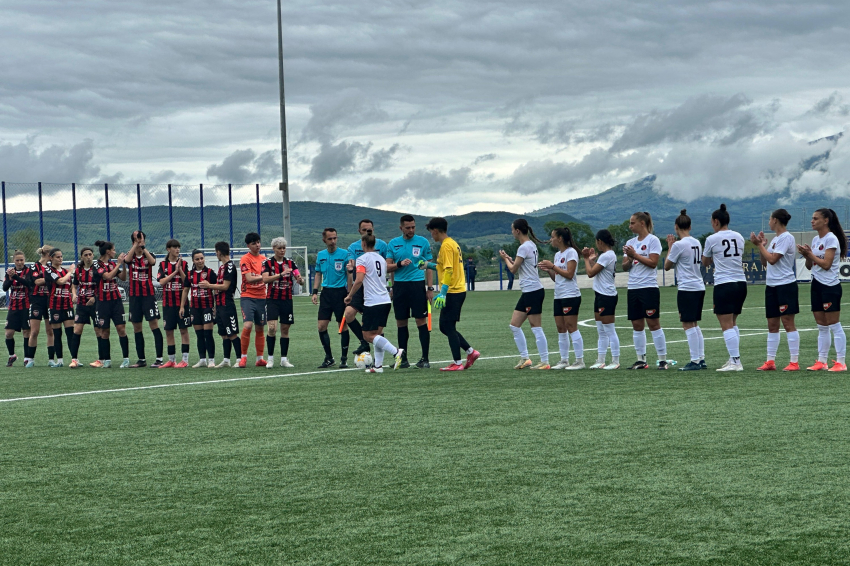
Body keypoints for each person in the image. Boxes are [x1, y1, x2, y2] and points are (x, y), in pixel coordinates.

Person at [421, 217, 480, 371]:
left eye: (431, 232)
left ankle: (458, 363)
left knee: (448, 326)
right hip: (457, 290)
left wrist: (443, 293)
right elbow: (443, 266)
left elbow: (449, 270)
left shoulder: (446, 246)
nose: (431, 236)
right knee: (445, 326)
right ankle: (470, 352)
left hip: (453, 291)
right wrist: (428, 265)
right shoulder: (452, 243)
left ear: (435, 230)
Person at [344, 233, 404, 373]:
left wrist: (350, 296)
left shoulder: (362, 259)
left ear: (363, 244)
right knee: (377, 333)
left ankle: (396, 352)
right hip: (385, 300)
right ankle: (378, 366)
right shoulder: (381, 259)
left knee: (367, 335)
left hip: (373, 302)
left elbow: (359, 280)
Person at [797, 208, 847, 371]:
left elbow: (826, 264)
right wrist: (807, 256)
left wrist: (810, 254)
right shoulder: (815, 239)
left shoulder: (831, 238)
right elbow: (810, 266)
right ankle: (822, 361)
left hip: (830, 286)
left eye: (816, 218)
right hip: (817, 284)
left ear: (826, 221)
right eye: (812, 218)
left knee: (834, 324)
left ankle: (841, 362)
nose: (812, 221)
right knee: (822, 326)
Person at [751, 209, 800, 371]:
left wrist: (759, 245)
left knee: (788, 323)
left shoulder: (787, 237)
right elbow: (765, 263)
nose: (769, 222)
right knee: (772, 325)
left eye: (771, 219)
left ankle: (794, 362)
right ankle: (770, 361)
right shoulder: (775, 240)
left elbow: (773, 260)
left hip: (785, 285)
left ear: (776, 220)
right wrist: (762, 247)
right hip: (771, 285)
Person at [703, 204, 748, 372]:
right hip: (740, 283)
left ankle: (736, 361)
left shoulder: (712, 239)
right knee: (733, 322)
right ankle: (733, 358)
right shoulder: (739, 236)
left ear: (716, 221)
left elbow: (705, 262)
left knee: (726, 324)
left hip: (724, 283)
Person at [500, 219, 549, 370]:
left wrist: (505, 260)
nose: (512, 232)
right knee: (514, 325)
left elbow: (513, 270)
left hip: (532, 291)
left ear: (518, 231)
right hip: (529, 291)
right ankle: (525, 358)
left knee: (536, 327)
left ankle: (545, 361)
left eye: (512, 229)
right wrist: (509, 259)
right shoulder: (530, 245)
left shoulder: (523, 247)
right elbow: (520, 265)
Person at [623, 211, 668, 370]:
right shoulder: (630, 242)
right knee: (636, 324)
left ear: (642, 223)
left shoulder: (653, 240)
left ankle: (662, 360)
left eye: (632, 223)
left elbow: (653, 263)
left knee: (653, 323)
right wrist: (629, 258)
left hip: (648, 287)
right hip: (633, 287)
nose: (630, 226)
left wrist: (635, 255)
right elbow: (624, 266)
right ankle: (641, 360)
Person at [387, 214, 434, 368]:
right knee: (401, 322)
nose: (411, 230)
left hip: (417, 285)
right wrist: (399, 264)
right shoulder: (393, 244)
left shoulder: (423, 242)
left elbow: (429, 267)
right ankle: (403, 359)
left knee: (421, 321)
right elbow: (388, 267)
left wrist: (430, 288)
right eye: (408, 227)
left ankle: (425, 359)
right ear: (401, 228)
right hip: (400, 286)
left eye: (413, 227)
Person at [664, 209, 707, 371]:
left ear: (676, 227)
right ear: (690, 226)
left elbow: (667, 266)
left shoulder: (679, 245)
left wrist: (670, 247)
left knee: (687, 324)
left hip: (687, 288)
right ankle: (700, 358)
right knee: (694, 324)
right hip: (698, 285)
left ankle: (695, 360)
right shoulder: (696, 242)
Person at [539, 226, 584, 370]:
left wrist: (553, 266)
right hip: (558, 295)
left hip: (570, 294)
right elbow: (557, 277)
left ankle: (579, 360)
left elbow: (569, 274)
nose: (550, 240)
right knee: (560, 328)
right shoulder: (558, 254)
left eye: (552, 237)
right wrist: (549, 270)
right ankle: (564, 360)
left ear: (560, 238)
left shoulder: (571, 253)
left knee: (571, 327)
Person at [344, 220, 389, 356]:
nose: (367, 232)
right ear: (359, 231)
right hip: (363, 286)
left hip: (374, 288)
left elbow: (388, 265)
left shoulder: (382, 245)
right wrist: (351, 268)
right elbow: (352, 265)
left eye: (369, 230)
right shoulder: (353, 246)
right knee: (349, 313)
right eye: (364, 230)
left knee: (376, 331)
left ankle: (390, 354)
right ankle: (364, 343)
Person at [123, 230, 164, 368]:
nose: (139, 241)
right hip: (134, 297)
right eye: (136, 239)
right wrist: (135, 245)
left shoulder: (148, 254)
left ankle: (159, 359)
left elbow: (152, 261)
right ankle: (141, 359)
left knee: (154, 325)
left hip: (148, 296)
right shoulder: (130, 256)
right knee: (137, 327)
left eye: (141, 239)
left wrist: (143, 247)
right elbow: (127, 260)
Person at [312, 228, 352, 369]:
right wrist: (315, 292)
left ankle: (344, 358)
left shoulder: (345, 254)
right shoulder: (321, 255)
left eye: (335, 238)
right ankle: (329, 357)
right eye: (330, 239)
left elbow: (349, 275)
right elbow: (318, 274)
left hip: (341, 293)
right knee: (321, 326)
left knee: (342, 325)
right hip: (326, 293)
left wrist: (349, 293)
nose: (333, 241)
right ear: (324, 240)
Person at [262, 237, 304, 368]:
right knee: (272, 328)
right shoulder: (267, 263)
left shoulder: (290, 263)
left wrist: (300, 280)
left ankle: (284, 359)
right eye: (279, 248)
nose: (282, 250)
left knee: (285, 329)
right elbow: (265, 279)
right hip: (272, 299)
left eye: (283, 248)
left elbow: (298, 276)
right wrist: (281, 274)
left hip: (287, 299)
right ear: (274, 249)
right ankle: (270, 359)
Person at [582, 230, 620, 369]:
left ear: (600, 241)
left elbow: (590, 273)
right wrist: (591, 260)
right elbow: (597, 270)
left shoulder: (607, 255)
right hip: (600, 294)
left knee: (609, 330)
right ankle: (601, 360)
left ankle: (615, 360)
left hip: (607, 296)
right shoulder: (606, 256)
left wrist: (586, 259)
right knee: (601, 330)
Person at [200, 241, 241, 368]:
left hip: (227, 304)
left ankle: (240, 359)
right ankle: (226, 359)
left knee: (232, 333)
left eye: (216, 252)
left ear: (219, 252)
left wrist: (208, 285)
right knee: (224, 334)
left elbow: (225, 286)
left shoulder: (230, 267)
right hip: (220, 305)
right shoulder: (222, 267)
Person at [91, 240, 130, 368]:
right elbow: (107, 276)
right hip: (103, 302)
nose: (115, 252)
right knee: (105, 331)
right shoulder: (97, 265)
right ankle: (107, 360)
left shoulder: (113, 264)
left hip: (116, 301)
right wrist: (118, 264)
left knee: (121, 329)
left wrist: (123, 265)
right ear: (108, 251)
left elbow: (123, 278)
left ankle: (126, 359)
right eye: (113, 250)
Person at [157, 240, 191, 368]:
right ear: (168, 249)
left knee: (183, 330)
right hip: (168, 304)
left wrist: (180, 270)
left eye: (178, 247)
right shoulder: (163, 264)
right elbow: (162, 282)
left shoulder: (185, 263)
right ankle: (171, 360)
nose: (177, 249)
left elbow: (187, 281)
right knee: (169, 331)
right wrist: (174, 272)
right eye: (174, 247)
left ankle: (185, 359)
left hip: (182, 303)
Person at [181, 249, 217, 368]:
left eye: (201, 258)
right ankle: (202, 359)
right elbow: (186, 290)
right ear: (193, 260)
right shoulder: (190, 274)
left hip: (207, 307)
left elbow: (216, 289)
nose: (200, 261)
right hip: (195, 308)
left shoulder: (210, 272)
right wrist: (182, 306)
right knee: (199, 334)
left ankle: (211, 359)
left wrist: (215, 306)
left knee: (208, 334)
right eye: (197, 259)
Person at [238, 232, 268, 367]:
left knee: (260, 327)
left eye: (258, 242)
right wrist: (264, 277)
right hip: (248, 296)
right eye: (254, 243)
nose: (257, 245)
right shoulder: (245, 259)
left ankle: (259, 358)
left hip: (262, 297)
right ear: (248, 245)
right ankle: (243, 357)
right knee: (248, 325)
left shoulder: (265, 259)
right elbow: (249, 278)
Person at [43, 248, 75, 368]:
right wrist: (70, 272)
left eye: (61, 256)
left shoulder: (65, 272)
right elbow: (60, 281)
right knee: (57, 333)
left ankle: (74, 359)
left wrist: (74, 294)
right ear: (51, 258)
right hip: (54, 305)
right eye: (57, 257)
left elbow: (70, 285)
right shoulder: (49, 270)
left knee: (70, 333)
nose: (60, 259)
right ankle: (60, 360)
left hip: (67, 305)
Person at [69, 247, 99, 368]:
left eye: (90, 254)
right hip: (81, 304)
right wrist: (74, 294)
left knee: (99, 330)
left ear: (93, 256)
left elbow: (102, 285)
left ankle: (101, 359)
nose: (88, 257)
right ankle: (74, 359)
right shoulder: (78, 270)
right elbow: (74, 285)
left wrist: (95, 298)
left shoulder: (97, 269)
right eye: (85, 255)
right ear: (82, 257)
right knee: (77, 330)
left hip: (95, 304)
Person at [25, 245, 55, 367]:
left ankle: (51, 360)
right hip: (37, 300)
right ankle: (30, 359)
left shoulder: (50, 267)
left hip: (49, 300)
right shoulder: (34, 266)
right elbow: (37, 281)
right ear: (48, 255)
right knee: (34, 331)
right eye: (53, 255)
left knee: (50, 331)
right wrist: (52, 278)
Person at [4, 250, 33, 366]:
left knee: (26, 332)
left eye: (21, 260)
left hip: (26, 306)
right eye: (17, 260)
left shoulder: (29, 271)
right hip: (13, 306)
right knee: (8, 333)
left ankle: (27, 358)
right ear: (14, 261)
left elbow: (29, 284)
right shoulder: (10, 272)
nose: (20, 262)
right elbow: (5, 288)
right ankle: (12, 356)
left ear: (24, 260)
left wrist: (15, 276)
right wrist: (11, 278)